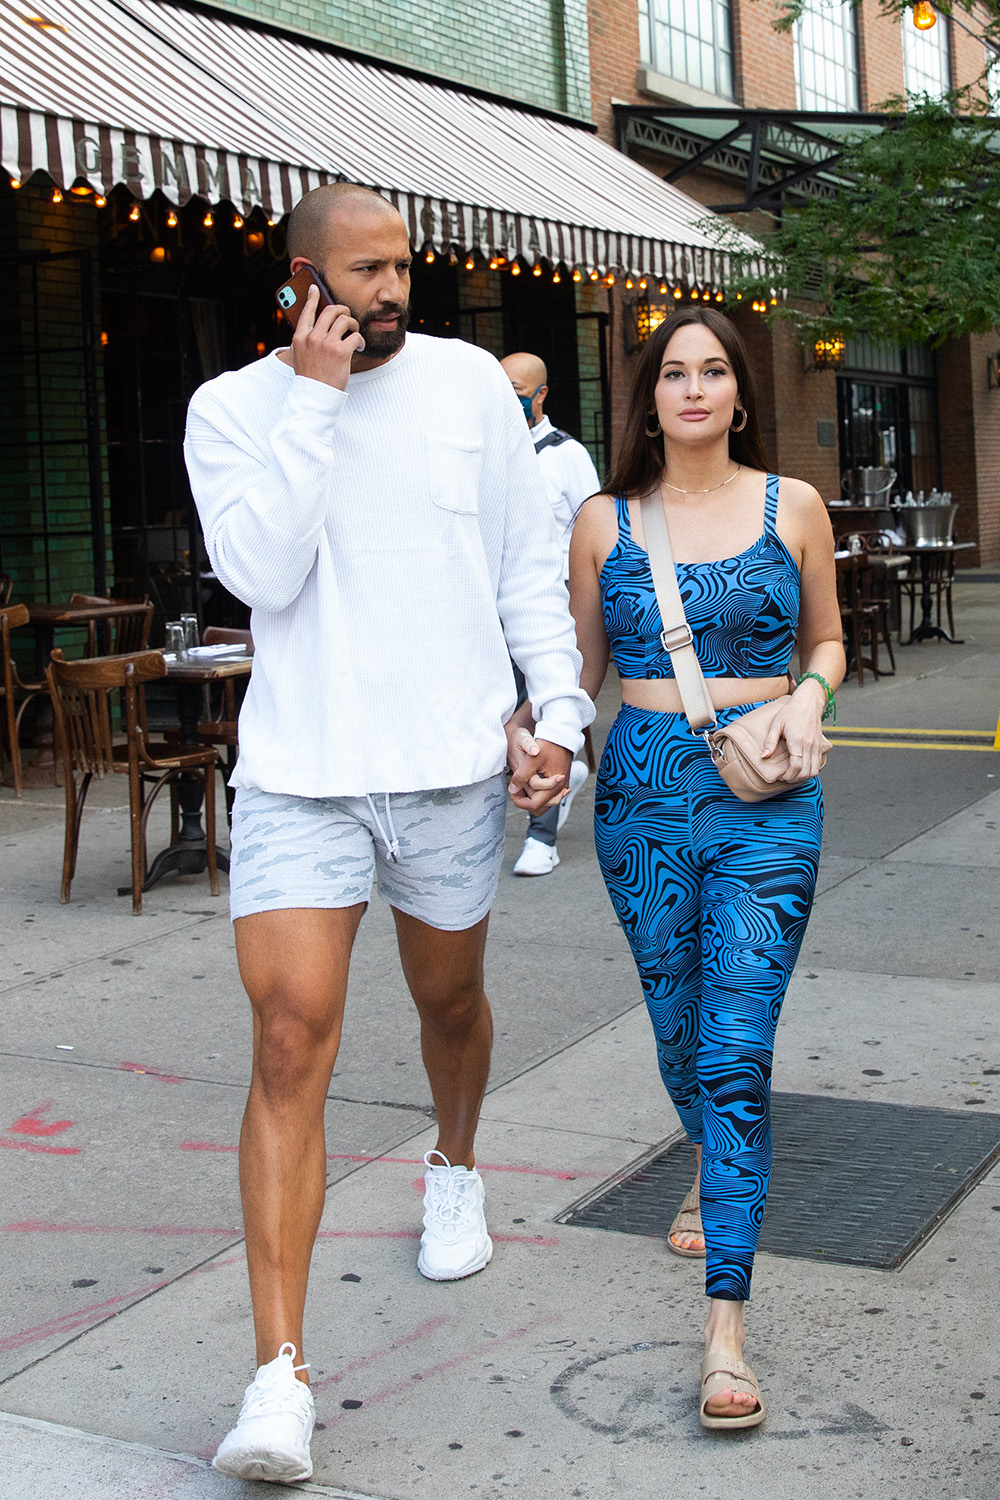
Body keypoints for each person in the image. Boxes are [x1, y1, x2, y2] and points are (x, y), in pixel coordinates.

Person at [183, 182, 593, 1484]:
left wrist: (562, 717)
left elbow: (527, 567)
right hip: (304, 774)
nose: (393, 292)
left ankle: (453, 1164)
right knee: (291, 1035)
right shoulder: (232, 411)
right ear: (300, 282)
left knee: (449, 1000)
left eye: (401, 267)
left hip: (449, 769)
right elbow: (263, 575)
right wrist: (313, 397)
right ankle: (279, 1376)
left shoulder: (472, 383)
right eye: (363, 273)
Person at [566, 306, 843, 1429]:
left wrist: (812, 700)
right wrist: (530, 747)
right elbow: (573, 670)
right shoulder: (601, 522)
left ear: (739, 393)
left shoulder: (795, 506)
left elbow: (825, 638)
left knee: (736, 1048)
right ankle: (709, 1160)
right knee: (681, 1035)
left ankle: (725, 1325)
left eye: (712, 370)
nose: (692, 388)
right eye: (672, 372)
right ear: (648, 398)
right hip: (638, 796)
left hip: (766, 793)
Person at [500, 352, 600, 877]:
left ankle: (542, 836)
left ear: (540, 395)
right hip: (490, 609)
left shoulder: (567, 456)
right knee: (501, 716)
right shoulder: (488, 450)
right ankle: (561, 778)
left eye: (515, 388)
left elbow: (595, 533)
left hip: (549, 608)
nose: (506, 396)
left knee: (538, 708)